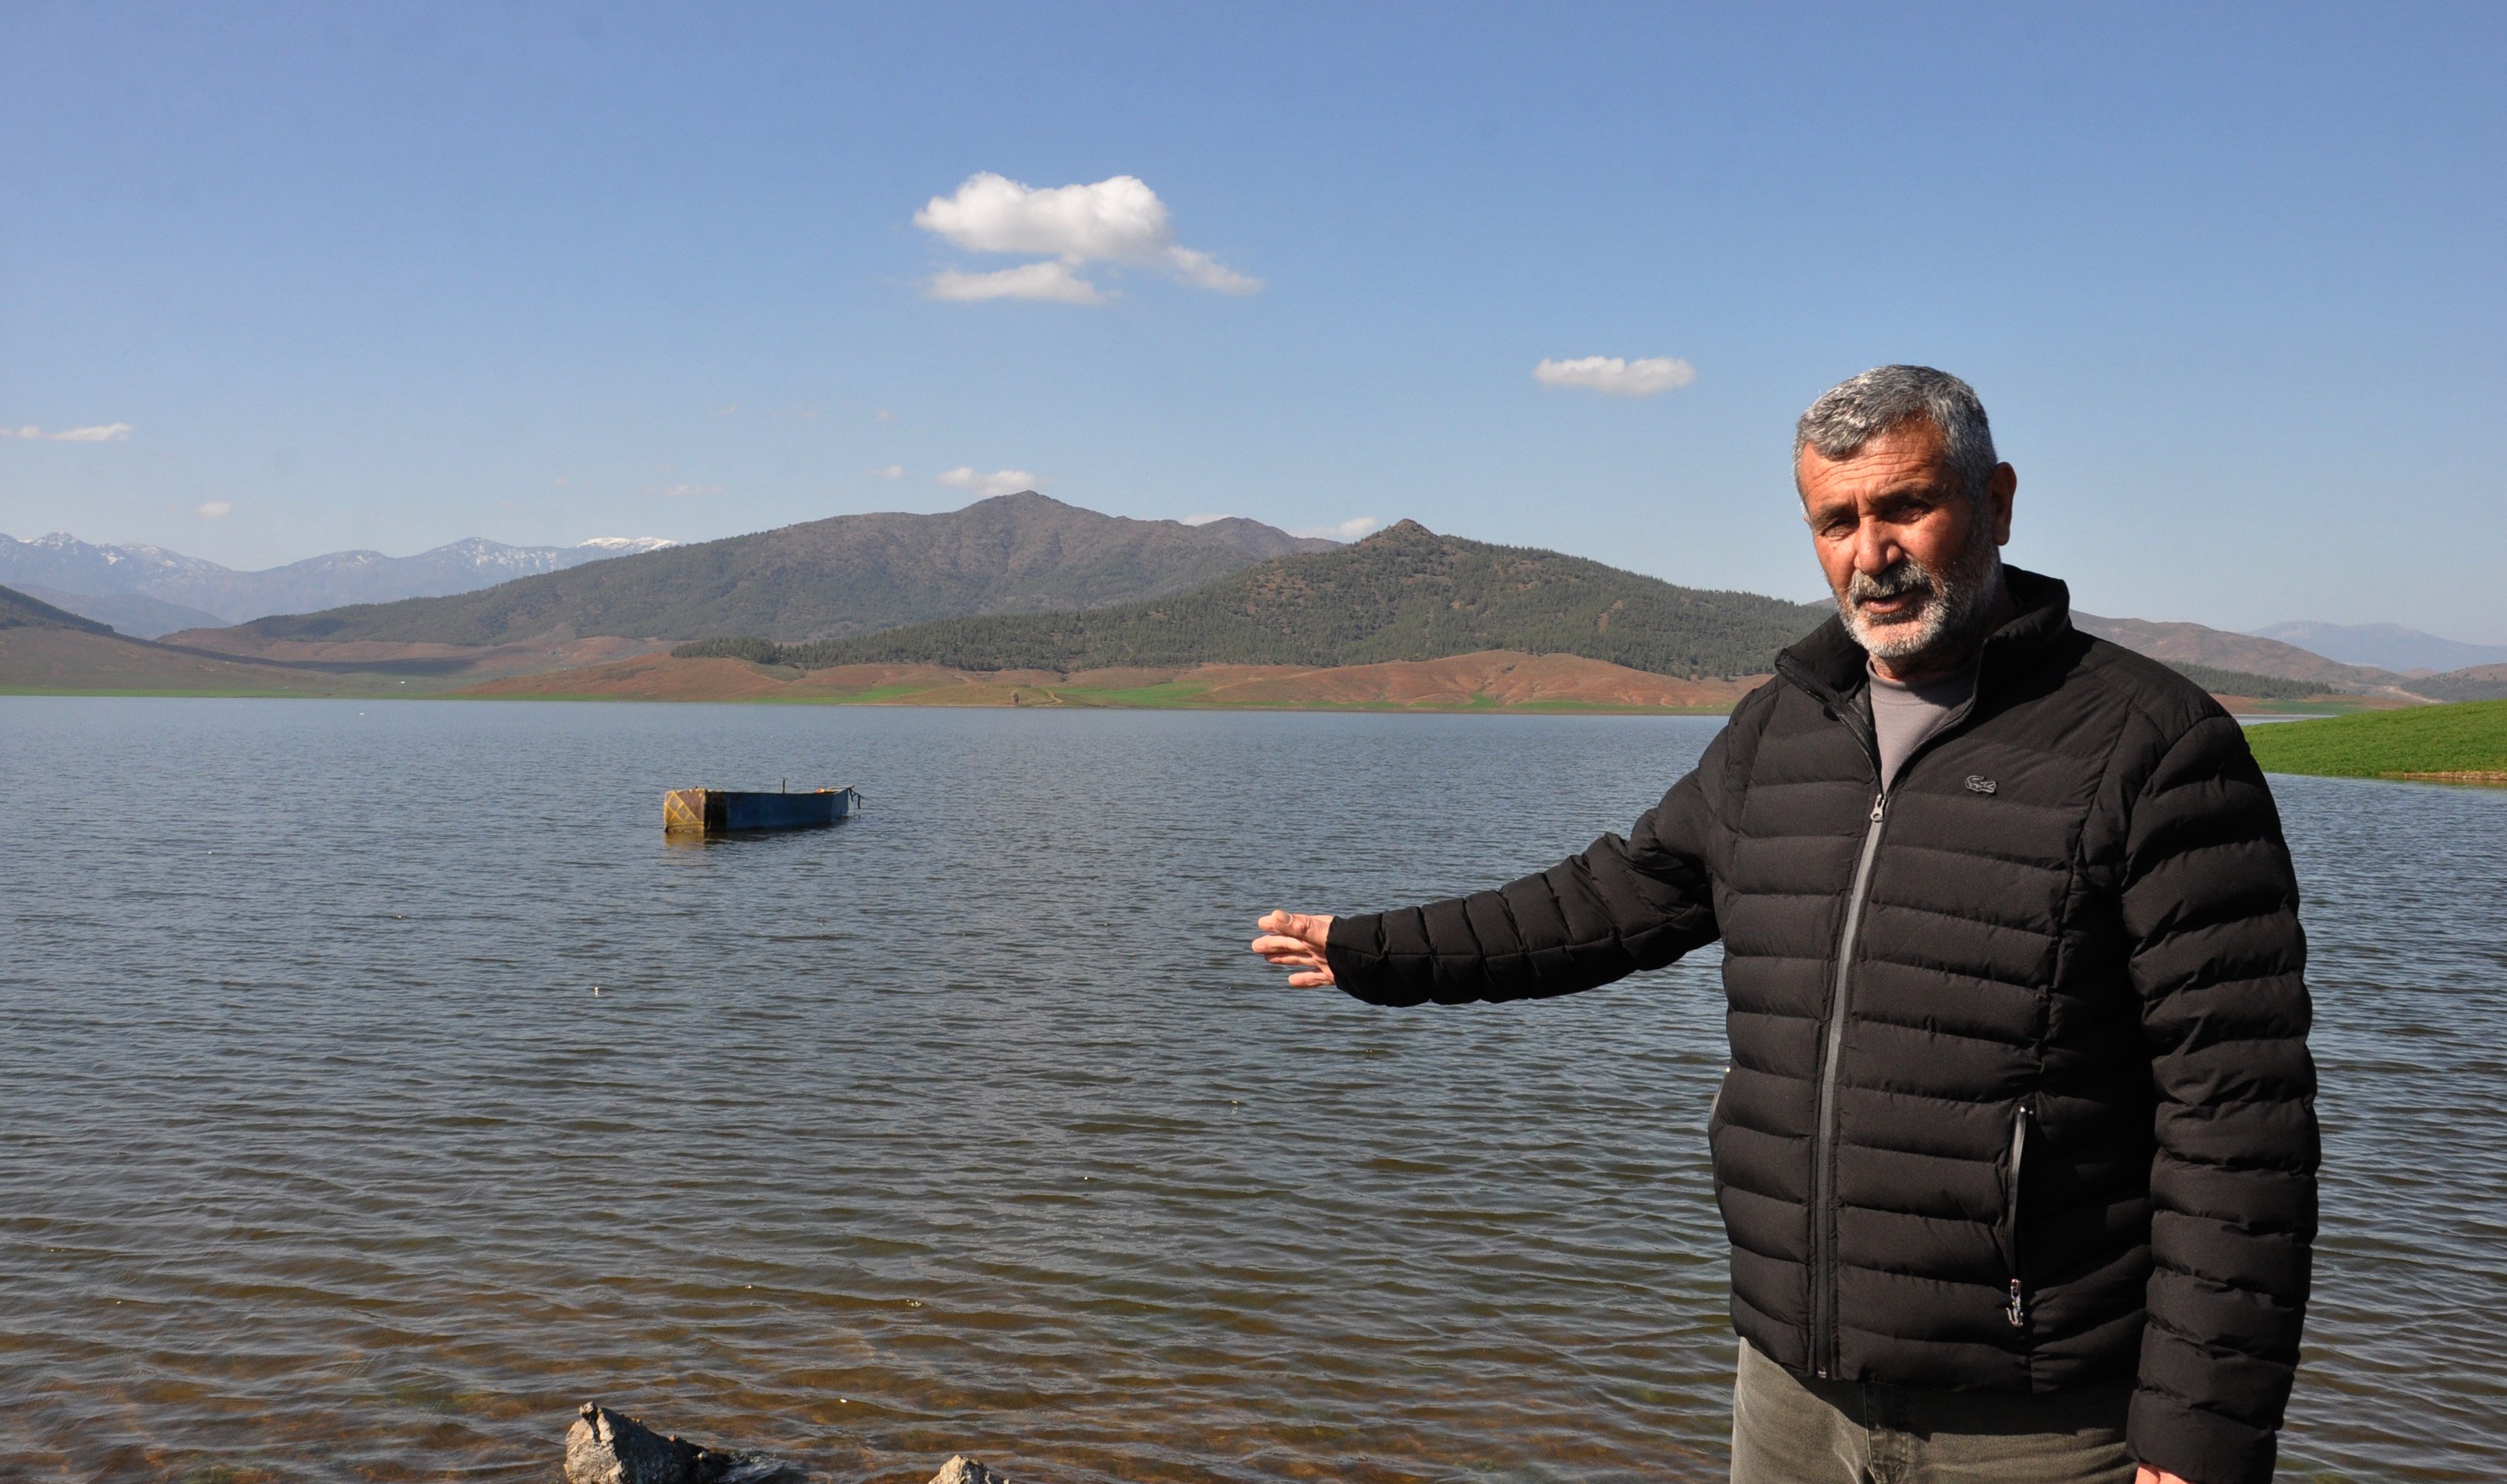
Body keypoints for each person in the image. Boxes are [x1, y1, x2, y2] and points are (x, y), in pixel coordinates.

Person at [1252, 366, 2318, 1484]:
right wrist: (1379, 953)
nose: (1872, 552)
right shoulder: (1780, 733)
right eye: (1837, 520)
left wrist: (2201, 1437)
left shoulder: (2151, 746)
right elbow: (1608, 901)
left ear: (1997, 502)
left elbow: (2239, 1113)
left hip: (2043, 1425)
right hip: (1792, 1401)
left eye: (1905, 506)